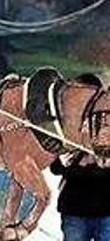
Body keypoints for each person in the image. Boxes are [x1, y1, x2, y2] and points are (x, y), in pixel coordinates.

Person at [50, 73, 110, 241]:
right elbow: (55, 168)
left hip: (106, 211)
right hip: (74, 210)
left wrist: (76, 168)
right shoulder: (67, 130)